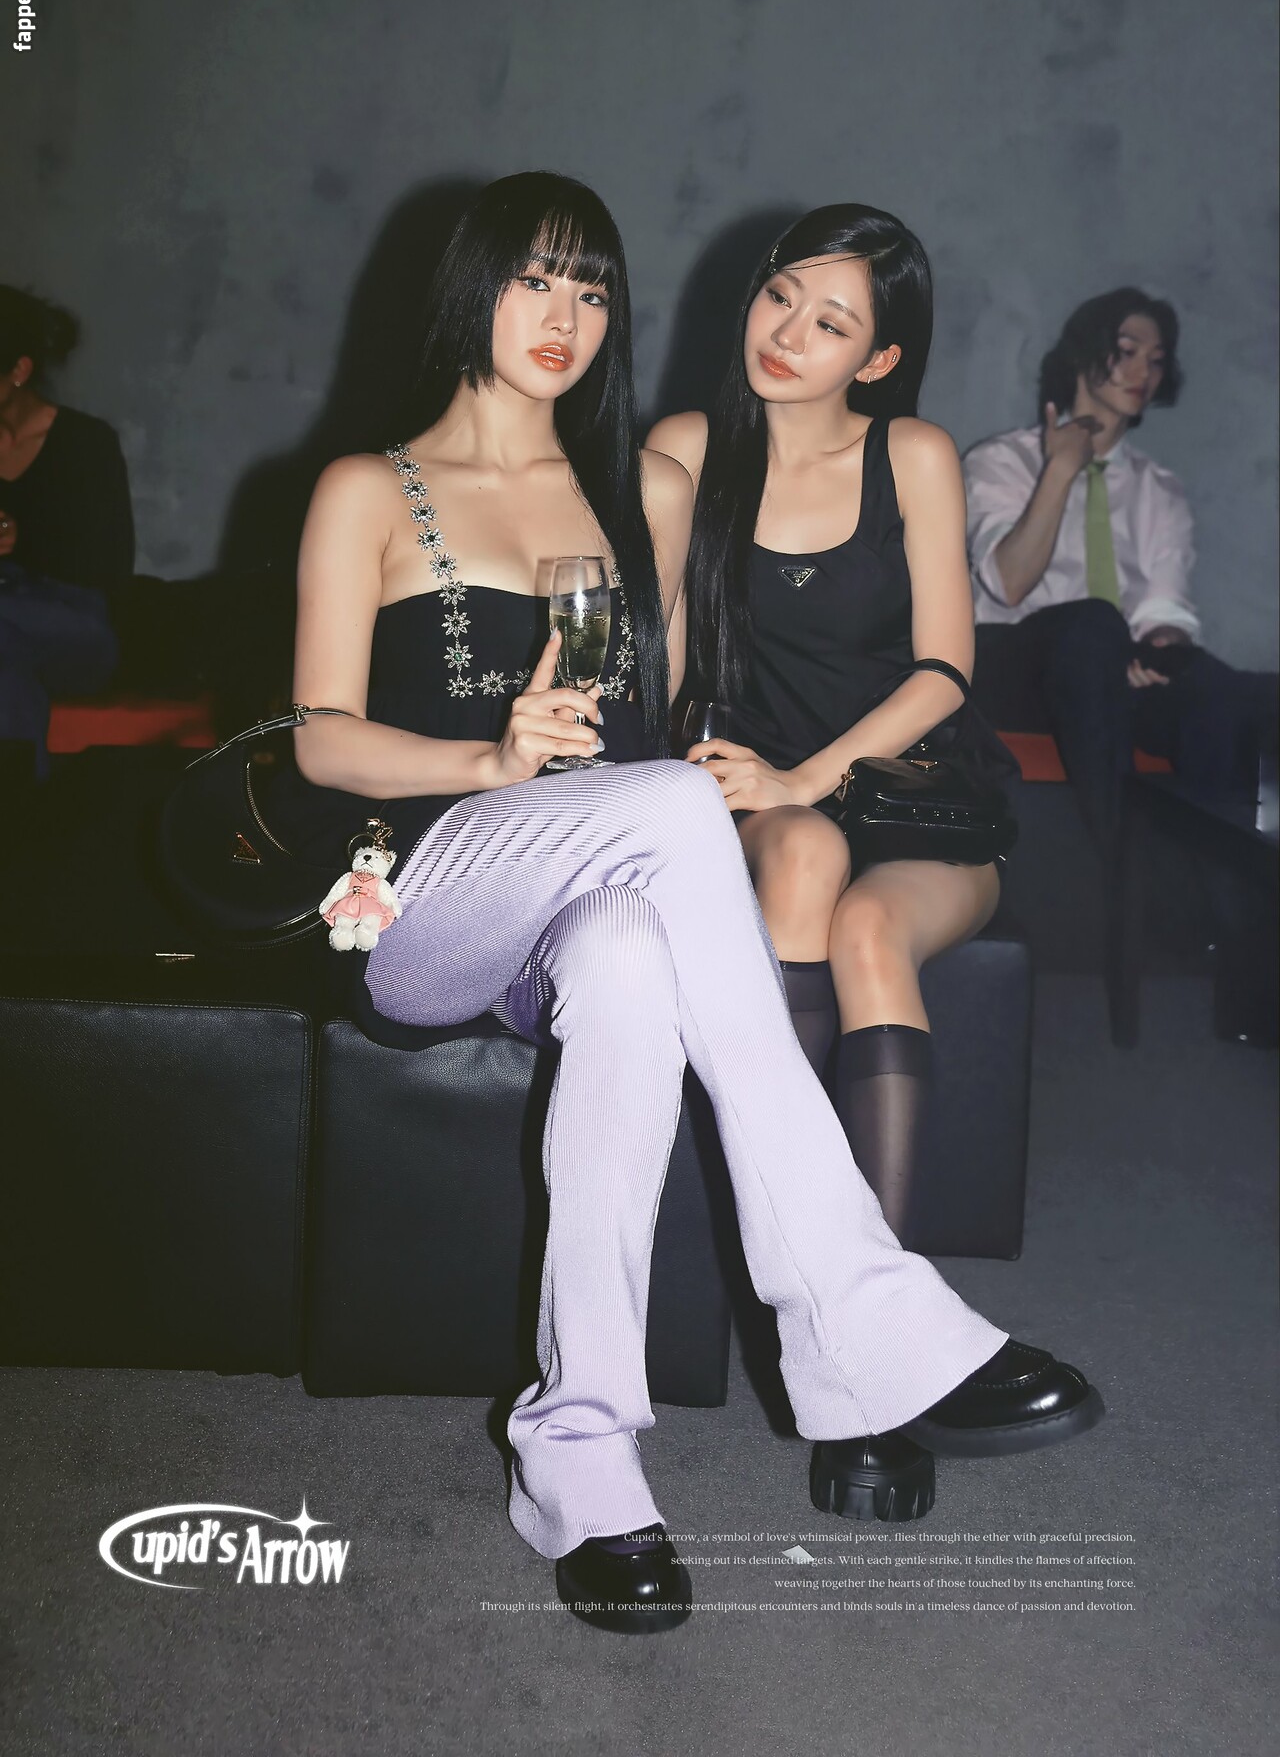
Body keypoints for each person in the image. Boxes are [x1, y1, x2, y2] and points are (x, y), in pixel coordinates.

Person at [283, 172, 1101, 1635]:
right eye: (536, 279)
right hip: (416, 900)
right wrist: (487, 757)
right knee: (665, 810)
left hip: (570, 895)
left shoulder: (639, 492)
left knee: (630, 956)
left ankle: (581, 1462)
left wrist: (727, 771)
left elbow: (656, 716)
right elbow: (319, 739)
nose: (567, 315)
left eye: (593, 288)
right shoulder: (369, 487)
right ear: (472, 290)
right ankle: (854, 1310)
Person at [649, 205, 1014, 1247]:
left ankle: (866, 1291)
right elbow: (660, 660)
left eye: (830, 323)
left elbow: (945, 671)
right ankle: (788, 1250)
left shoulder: (912, 454)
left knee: (868, 929)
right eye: (779, 296)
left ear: (878, 359)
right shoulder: (685, 448)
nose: (786, 333)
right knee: (806, 856)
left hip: (911, 793)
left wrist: (805, 778)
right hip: (756, 788)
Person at [963, 288, 1265, 863]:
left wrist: (1162, 648)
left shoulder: (1158, 489)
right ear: (1084, 352)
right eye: (1127, 351)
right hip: (1010, 667)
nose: (1143, 373)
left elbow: (1164, 609)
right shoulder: (999, 462)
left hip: (1110, 676)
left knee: (1233, 692)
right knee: (1094, 627)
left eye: (1156, 361)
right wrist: (1061, 470)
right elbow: (1007, 584)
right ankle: (1115, 868)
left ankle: (1217, 890)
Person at [0, 285, 134, 778]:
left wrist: (22, 540)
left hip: (75, 625)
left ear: (18, 371)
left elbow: (111, 568)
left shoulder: (85, 443)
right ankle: (22, 811)